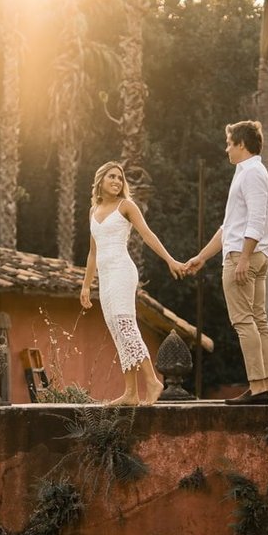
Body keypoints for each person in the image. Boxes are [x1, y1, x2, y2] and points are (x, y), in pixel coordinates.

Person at [180, 120, 268, 404]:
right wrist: (201, 256)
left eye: (229, 144)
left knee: (245, 322)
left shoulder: (252, 173)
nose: (226, 150)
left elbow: (256, 220)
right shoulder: (247, 172)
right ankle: (267, 388)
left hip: (244, 258)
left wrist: (244, 257)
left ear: (241, 144)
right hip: (250, 254)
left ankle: (259, 389)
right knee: (258, 322)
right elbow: (228, 227)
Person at [80, 160, 186, 405]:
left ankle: (152, 381)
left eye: (120, 178)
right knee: (117, 330)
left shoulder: (126, 206)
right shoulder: (93, 211)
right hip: (105, 278)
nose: (117, 181)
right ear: (100, 181)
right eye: (112, 177)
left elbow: (148, 235)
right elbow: (92, 252)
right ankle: (130, 392)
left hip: (122, 272)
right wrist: (86, 285)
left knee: (125, 324)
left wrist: (170, 260)